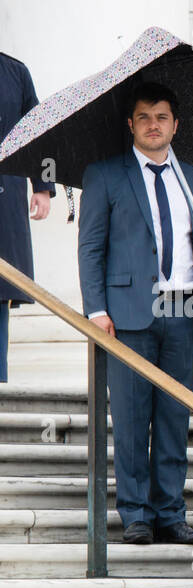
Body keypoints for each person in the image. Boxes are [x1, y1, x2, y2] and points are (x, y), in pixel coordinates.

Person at [77, 82, 193, 546]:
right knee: (130, 415)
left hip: (184, 308)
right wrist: (96, 310)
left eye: (161, 117)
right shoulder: (105, 175)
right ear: (131, 124)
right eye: (144, 117)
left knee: (173, 417)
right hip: (126, 314)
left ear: (175, 124)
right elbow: (90, 248)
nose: (153, 125)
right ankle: (136, 513)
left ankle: (170, 513)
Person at [0, 52, 54, 381]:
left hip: (5, 198)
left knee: (0, 293)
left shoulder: (15, 71)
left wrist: (43, 185)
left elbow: (38, 129)